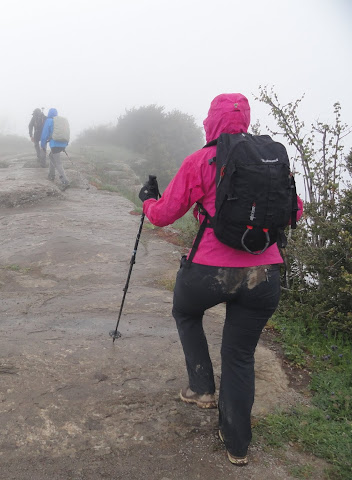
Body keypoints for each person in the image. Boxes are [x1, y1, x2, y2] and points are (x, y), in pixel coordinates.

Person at [138, 93, 303, 466]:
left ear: (211, 122)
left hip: (209, 273)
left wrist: (148, 199)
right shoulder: (271, 162)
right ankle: (237, 445)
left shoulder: (201, 160)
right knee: (239, 355)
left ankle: (200, 388)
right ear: (245, 120)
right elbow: (296, 210)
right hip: (264, 275)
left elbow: (163, 215)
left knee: (185, 312)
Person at [40, 107, 70, 191]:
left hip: (55, 144)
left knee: (58, 162)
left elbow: (44, 134)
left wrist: (43, 145)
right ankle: (51, 175)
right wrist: (65, 144)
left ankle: (65, 181)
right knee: (51, 156)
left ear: (49, 113)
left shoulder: (49, 120)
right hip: (63, 143)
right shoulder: (60, 121)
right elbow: (67, 132)